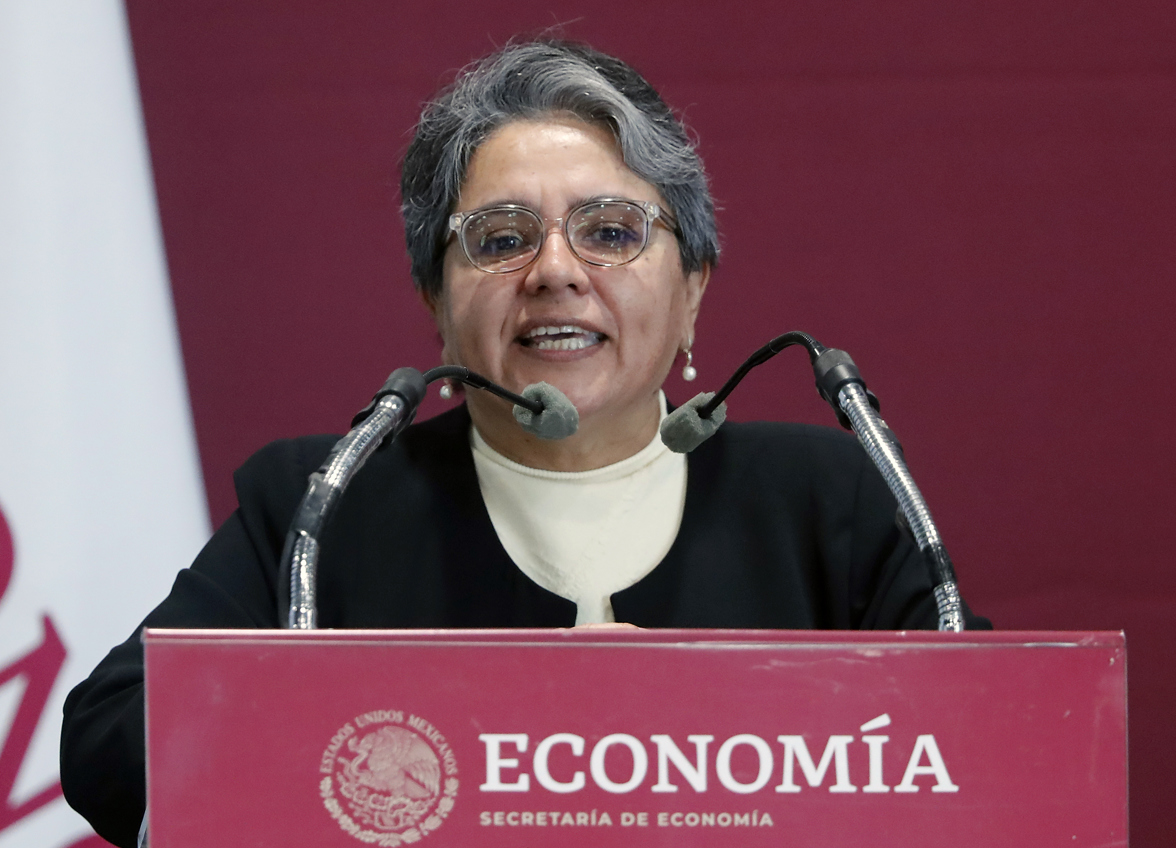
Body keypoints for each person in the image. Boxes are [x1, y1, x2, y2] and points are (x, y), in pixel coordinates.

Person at [60, 38, 987, 847]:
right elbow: (111, 736)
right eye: (501, 239)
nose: (554, 273)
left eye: (610, 232)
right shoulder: (323, 504)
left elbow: (992, 747)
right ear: (435, 298)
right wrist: (494, 725)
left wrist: (699, 734)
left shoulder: (827, 501)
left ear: (694, 287)